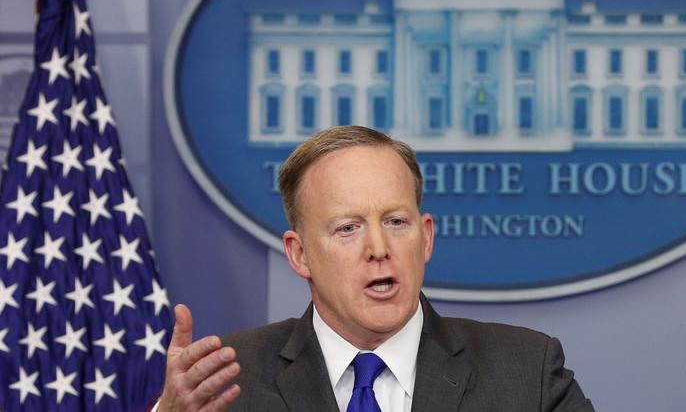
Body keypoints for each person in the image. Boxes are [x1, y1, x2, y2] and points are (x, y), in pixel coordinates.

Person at [156, 126, 594, 411]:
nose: (378, 248)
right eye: (348, 228)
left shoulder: (526, 371)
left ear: (425, 238)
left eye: (395, 222)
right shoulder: (225, 384)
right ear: (300, 254)